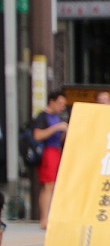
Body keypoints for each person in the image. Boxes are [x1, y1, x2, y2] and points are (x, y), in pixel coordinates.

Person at [29, 90, 69, 222]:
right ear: (52, 102)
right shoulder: (42, 116)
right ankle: (44, 218)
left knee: (56, 185)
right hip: (48, 152)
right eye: (60, 103)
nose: (62, 107)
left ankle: (51, 215)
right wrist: (57, 128)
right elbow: (38, 135)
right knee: (48, 185)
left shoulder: (58, 117)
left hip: (57, 151)